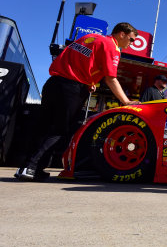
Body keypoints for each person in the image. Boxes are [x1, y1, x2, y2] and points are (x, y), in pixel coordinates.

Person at [15, 22, 141, 181]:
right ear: (122, 34)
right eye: (131, 40)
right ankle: (31, 166)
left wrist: (89, 82)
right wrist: (126, 101)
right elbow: (111, 78)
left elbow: (77, 61)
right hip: (71, 88)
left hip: (53, 83)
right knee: (59, 130)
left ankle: (32, 168)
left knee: (44, 127)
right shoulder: (112, 47)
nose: (131, 44)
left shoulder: (89, 37)